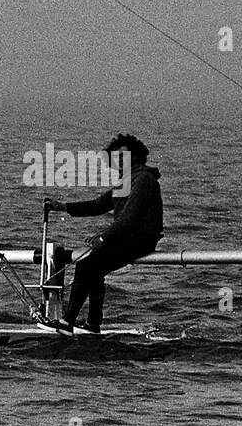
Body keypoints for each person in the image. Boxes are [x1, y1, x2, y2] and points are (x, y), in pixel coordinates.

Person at [43, 134, 162, 333]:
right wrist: (62, 207)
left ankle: (66, 323)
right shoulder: (129, 180)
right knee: (94, 267)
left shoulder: (142, 180)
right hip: (127, 237)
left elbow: (130, 219)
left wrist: (103, 237)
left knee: (86, 265)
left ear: (135, 157)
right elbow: (99, 205)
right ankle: (93, 324)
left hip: (140, 240)